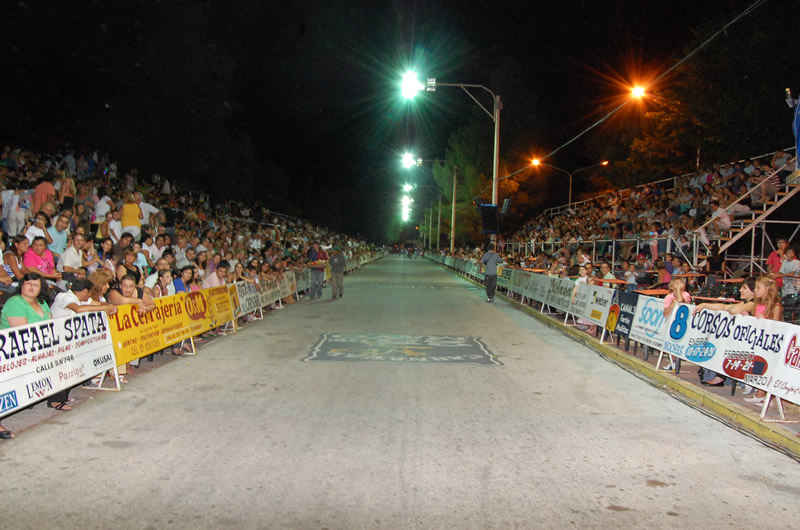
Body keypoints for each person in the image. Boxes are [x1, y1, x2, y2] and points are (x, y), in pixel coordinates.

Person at [0, 273, 72, 412]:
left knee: (66, 357)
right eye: (28, 284)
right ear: (22, 285)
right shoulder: (15, 302)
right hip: (17, 350)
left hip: (41, 345)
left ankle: (56, 399)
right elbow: (21, 333)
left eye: (35, 285)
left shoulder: (42, 302)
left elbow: (50, 324)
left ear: (41, 288)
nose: (31, 287)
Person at [51, 278, 116, 318]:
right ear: (85, 291)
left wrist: (110, 306)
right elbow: (78, 309)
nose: (91, 295)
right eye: (90, 292)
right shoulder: (64, 296)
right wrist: (105, 308)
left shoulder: (83, 299)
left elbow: (98, 304)